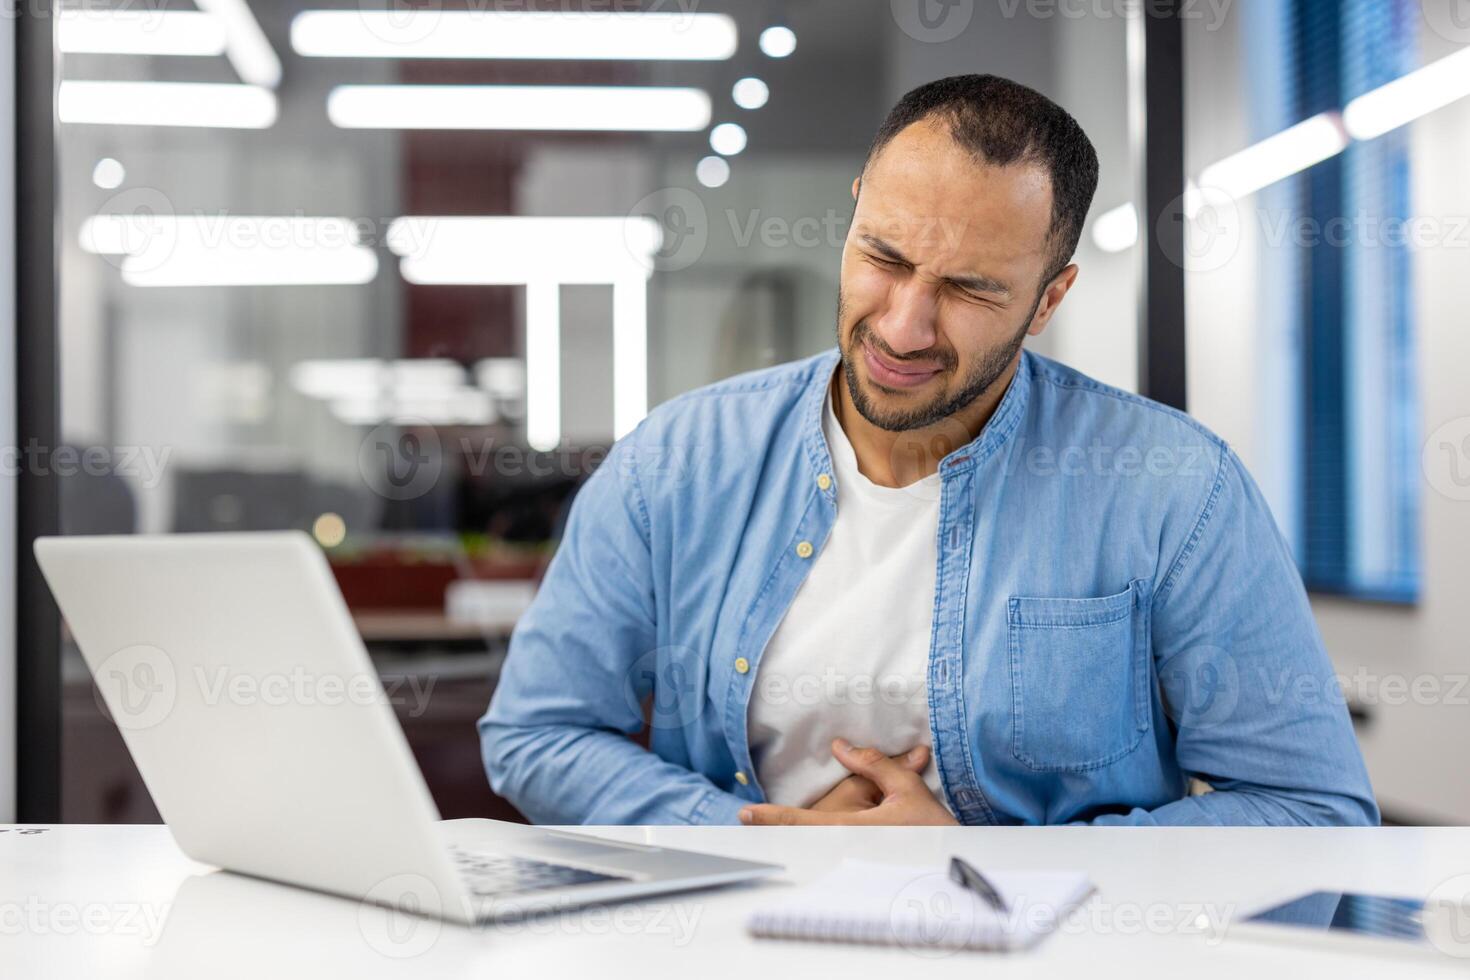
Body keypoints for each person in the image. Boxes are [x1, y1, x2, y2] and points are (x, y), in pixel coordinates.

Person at [479, 74, 1378, 828]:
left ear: (1050, 298)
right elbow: (537, 734)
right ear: (853, 217)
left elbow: (1309, 806)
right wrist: (754, 838)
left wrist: (987, 867)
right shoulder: (677, 460)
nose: (904, 326)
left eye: (969, 290)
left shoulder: (1177, 489)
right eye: (884, 256)